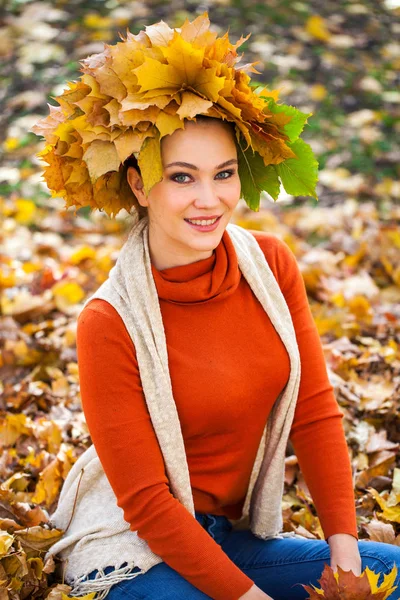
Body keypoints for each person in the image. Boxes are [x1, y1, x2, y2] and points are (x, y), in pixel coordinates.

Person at [31, 13, 400, 600]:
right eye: (182, 177)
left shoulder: (270, 266)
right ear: (138, 185)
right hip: (135, 551)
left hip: (228, 537)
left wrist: (345, 550)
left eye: (223, 174)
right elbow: (150, 503)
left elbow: (314, 410)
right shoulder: (109, 321)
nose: (209, 200)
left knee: (393, 573)